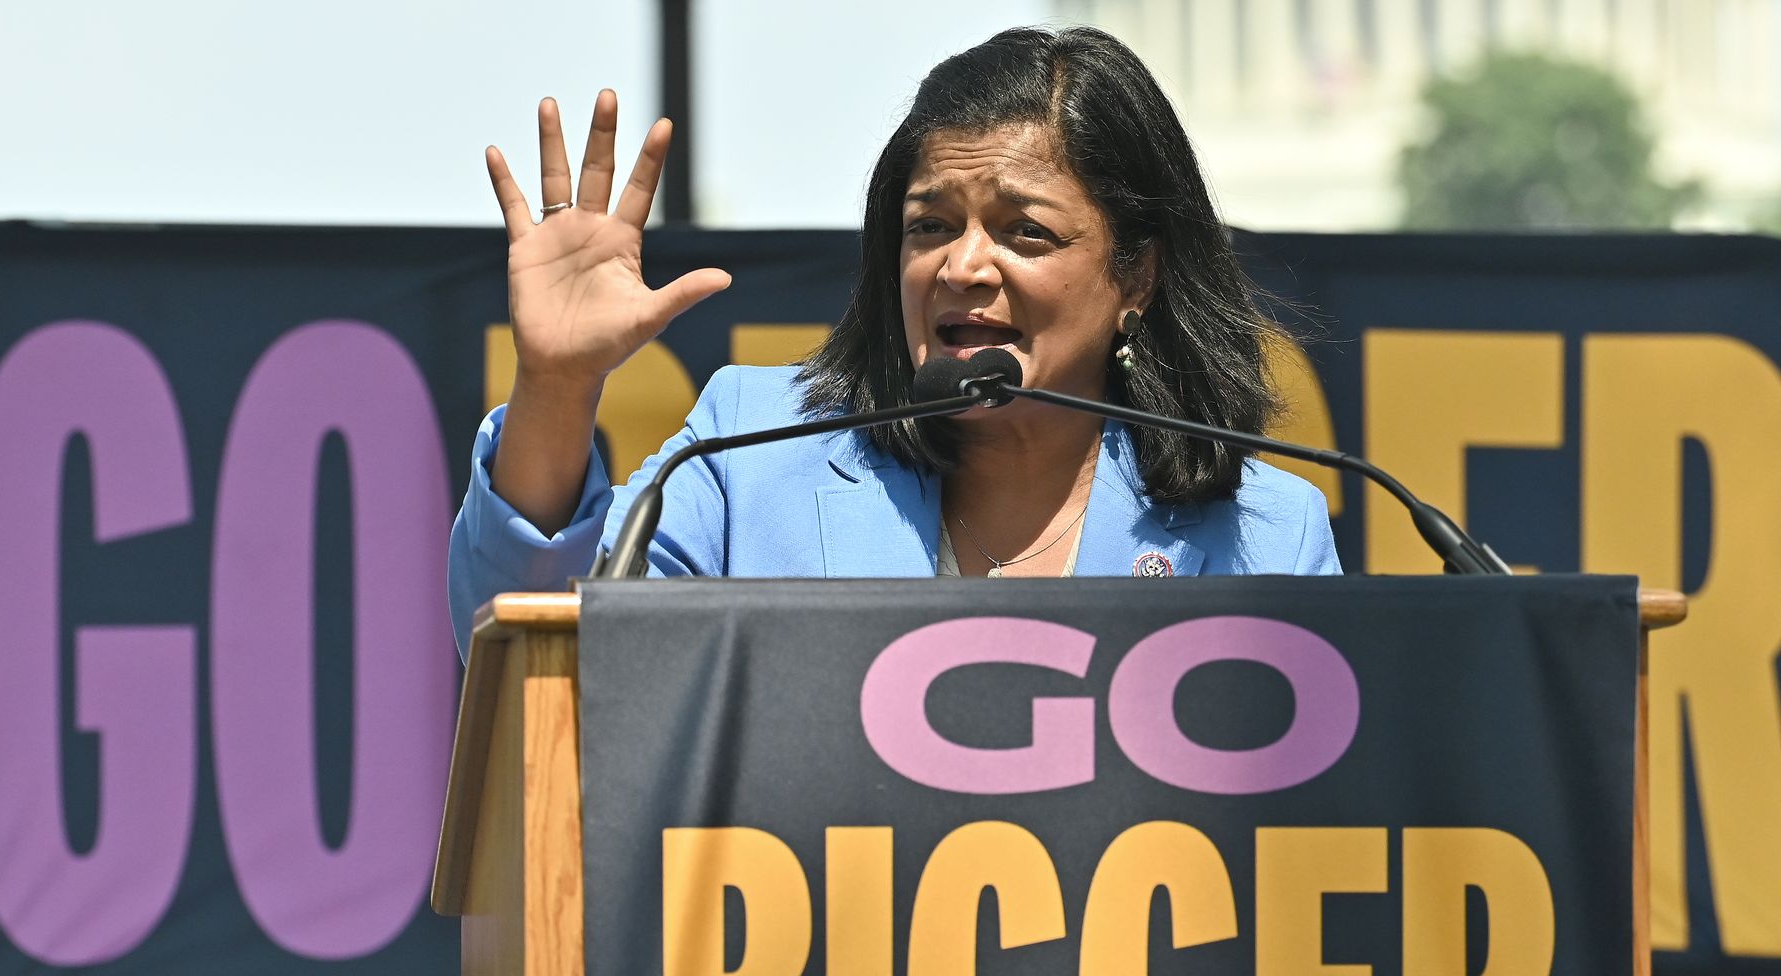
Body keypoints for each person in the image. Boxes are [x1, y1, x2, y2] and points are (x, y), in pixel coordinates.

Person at [449, 25, 1340, 659]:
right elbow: (531, 654)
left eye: (1024, 233)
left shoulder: (1267, 535)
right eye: (930, 226)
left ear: (1136, 277)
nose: (963, 266)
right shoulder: (746, 455)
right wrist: (558, 386)